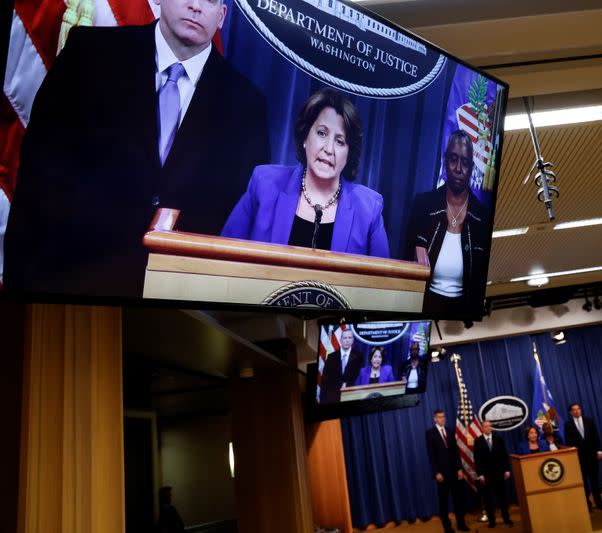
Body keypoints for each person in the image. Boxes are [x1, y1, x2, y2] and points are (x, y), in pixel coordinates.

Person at [4, 0, 269, 297]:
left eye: (209, 0)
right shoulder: (88, 55)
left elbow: (238, 224)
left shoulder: (248, 106)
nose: (196, 6)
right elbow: (38, 180)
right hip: (68, 290)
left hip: (178, 309)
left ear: (221, 16)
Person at [222, 87, 390, 257]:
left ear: (349, 153)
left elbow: (384, 281)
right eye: (321, 133)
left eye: (340, 141)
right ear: (305, 136)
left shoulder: (368, 209)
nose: (328, 149)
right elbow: (223, 256)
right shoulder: (264, 183)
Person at [406, 130, 492, 314]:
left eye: (466, 162)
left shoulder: (482, 218)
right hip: (423, 304)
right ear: (445, 161)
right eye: (453, 159)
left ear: (472, 168)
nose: (459, 169)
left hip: (462, 309)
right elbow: (404, 259)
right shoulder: (423, 205)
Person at [425, 409, 468, 533]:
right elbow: (431, 455)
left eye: (443, 416)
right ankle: (447, 527)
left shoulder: (450, 431)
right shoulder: (430, 433)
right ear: (435, 419)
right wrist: (436, 472)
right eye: (439, 417)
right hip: (442, 475)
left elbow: (456, 452)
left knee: (458, 500)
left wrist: (459, 468)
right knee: (443, 502)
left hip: (455, 473)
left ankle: (461, 524)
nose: (442, 419)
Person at [564, 402, 602, 511]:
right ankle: (587, 505)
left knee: (595, 481)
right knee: (583, 483)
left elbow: (596, 436)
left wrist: (599, 450)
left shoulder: (589, 421)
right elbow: (569, 442)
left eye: (578, 409)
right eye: (574, 409)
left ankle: (599, 503)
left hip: (592, 456)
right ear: (570, 412)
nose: (576, 411)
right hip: (579, 458)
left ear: (581, 410)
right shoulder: (567, 424)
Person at [474, 419, 514, 528]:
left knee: (503, 499)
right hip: (486, 476)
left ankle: (506, 519)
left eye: (489, 426)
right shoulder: (477, 441)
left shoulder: (498, 439)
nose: (488, 428)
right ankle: (492, 521)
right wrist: (480, 474)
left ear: (491, 427)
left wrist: (506, 470)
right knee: (488, 500)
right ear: (482, 428)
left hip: (499, 474)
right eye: (485, 426)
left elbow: (504, 456)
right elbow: (477, 460)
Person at [319, 328, 363, 403]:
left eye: (349, 338)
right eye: (345, 338)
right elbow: (325, 381)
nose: (347, 340)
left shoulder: (359, 356)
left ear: (353, 340)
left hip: (351, 398)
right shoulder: (331, 357)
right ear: (340, 340)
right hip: (332, 399)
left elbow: (360, 378)